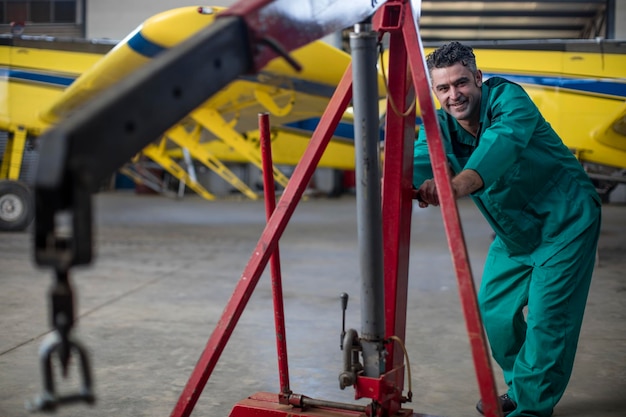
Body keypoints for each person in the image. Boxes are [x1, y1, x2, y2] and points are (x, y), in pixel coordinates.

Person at [412, 41, 601, 417]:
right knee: (496, 315)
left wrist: (458, 183)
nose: (454, 95)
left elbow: (505, 141)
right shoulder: (441, 126)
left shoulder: (509, 100)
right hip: (514, 232)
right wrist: (410, 184)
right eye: (444, 88)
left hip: (565, 222)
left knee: (548, 323)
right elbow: (420, 157)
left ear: (478, 78)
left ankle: (531, 410)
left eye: (461, 83)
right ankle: (522, 388)